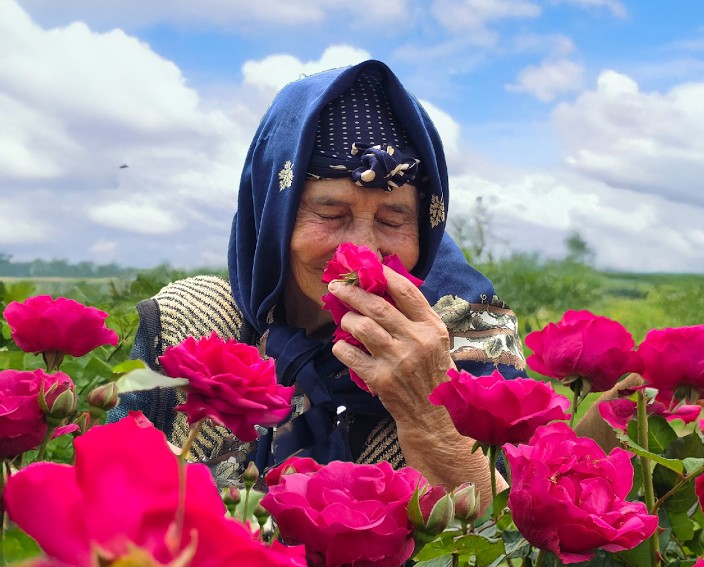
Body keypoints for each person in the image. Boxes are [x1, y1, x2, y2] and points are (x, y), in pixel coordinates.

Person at [113, 60, 525, 507]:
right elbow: (107, 500)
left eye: (393, 220)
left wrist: (430, 414)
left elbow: (514, 545)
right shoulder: (193, 322)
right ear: (274, 218)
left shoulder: (470, 337)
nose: (363, 250)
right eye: (331, 215)